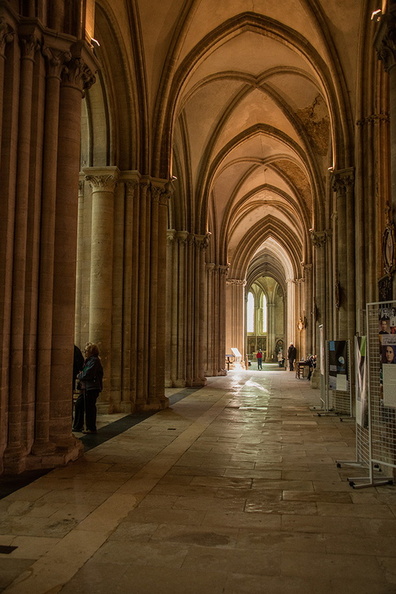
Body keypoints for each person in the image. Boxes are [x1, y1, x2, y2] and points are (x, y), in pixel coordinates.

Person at [72, 342, 103, 434]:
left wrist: (79, 376)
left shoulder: (94, 360)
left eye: (86, 351)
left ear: (91, 352)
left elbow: (88, 373)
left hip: (92, 388)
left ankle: (91, 428)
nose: (84, 352)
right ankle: (78, 426)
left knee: (89, 408)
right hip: (86, 387)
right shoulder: (89, 360)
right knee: (79, 404)